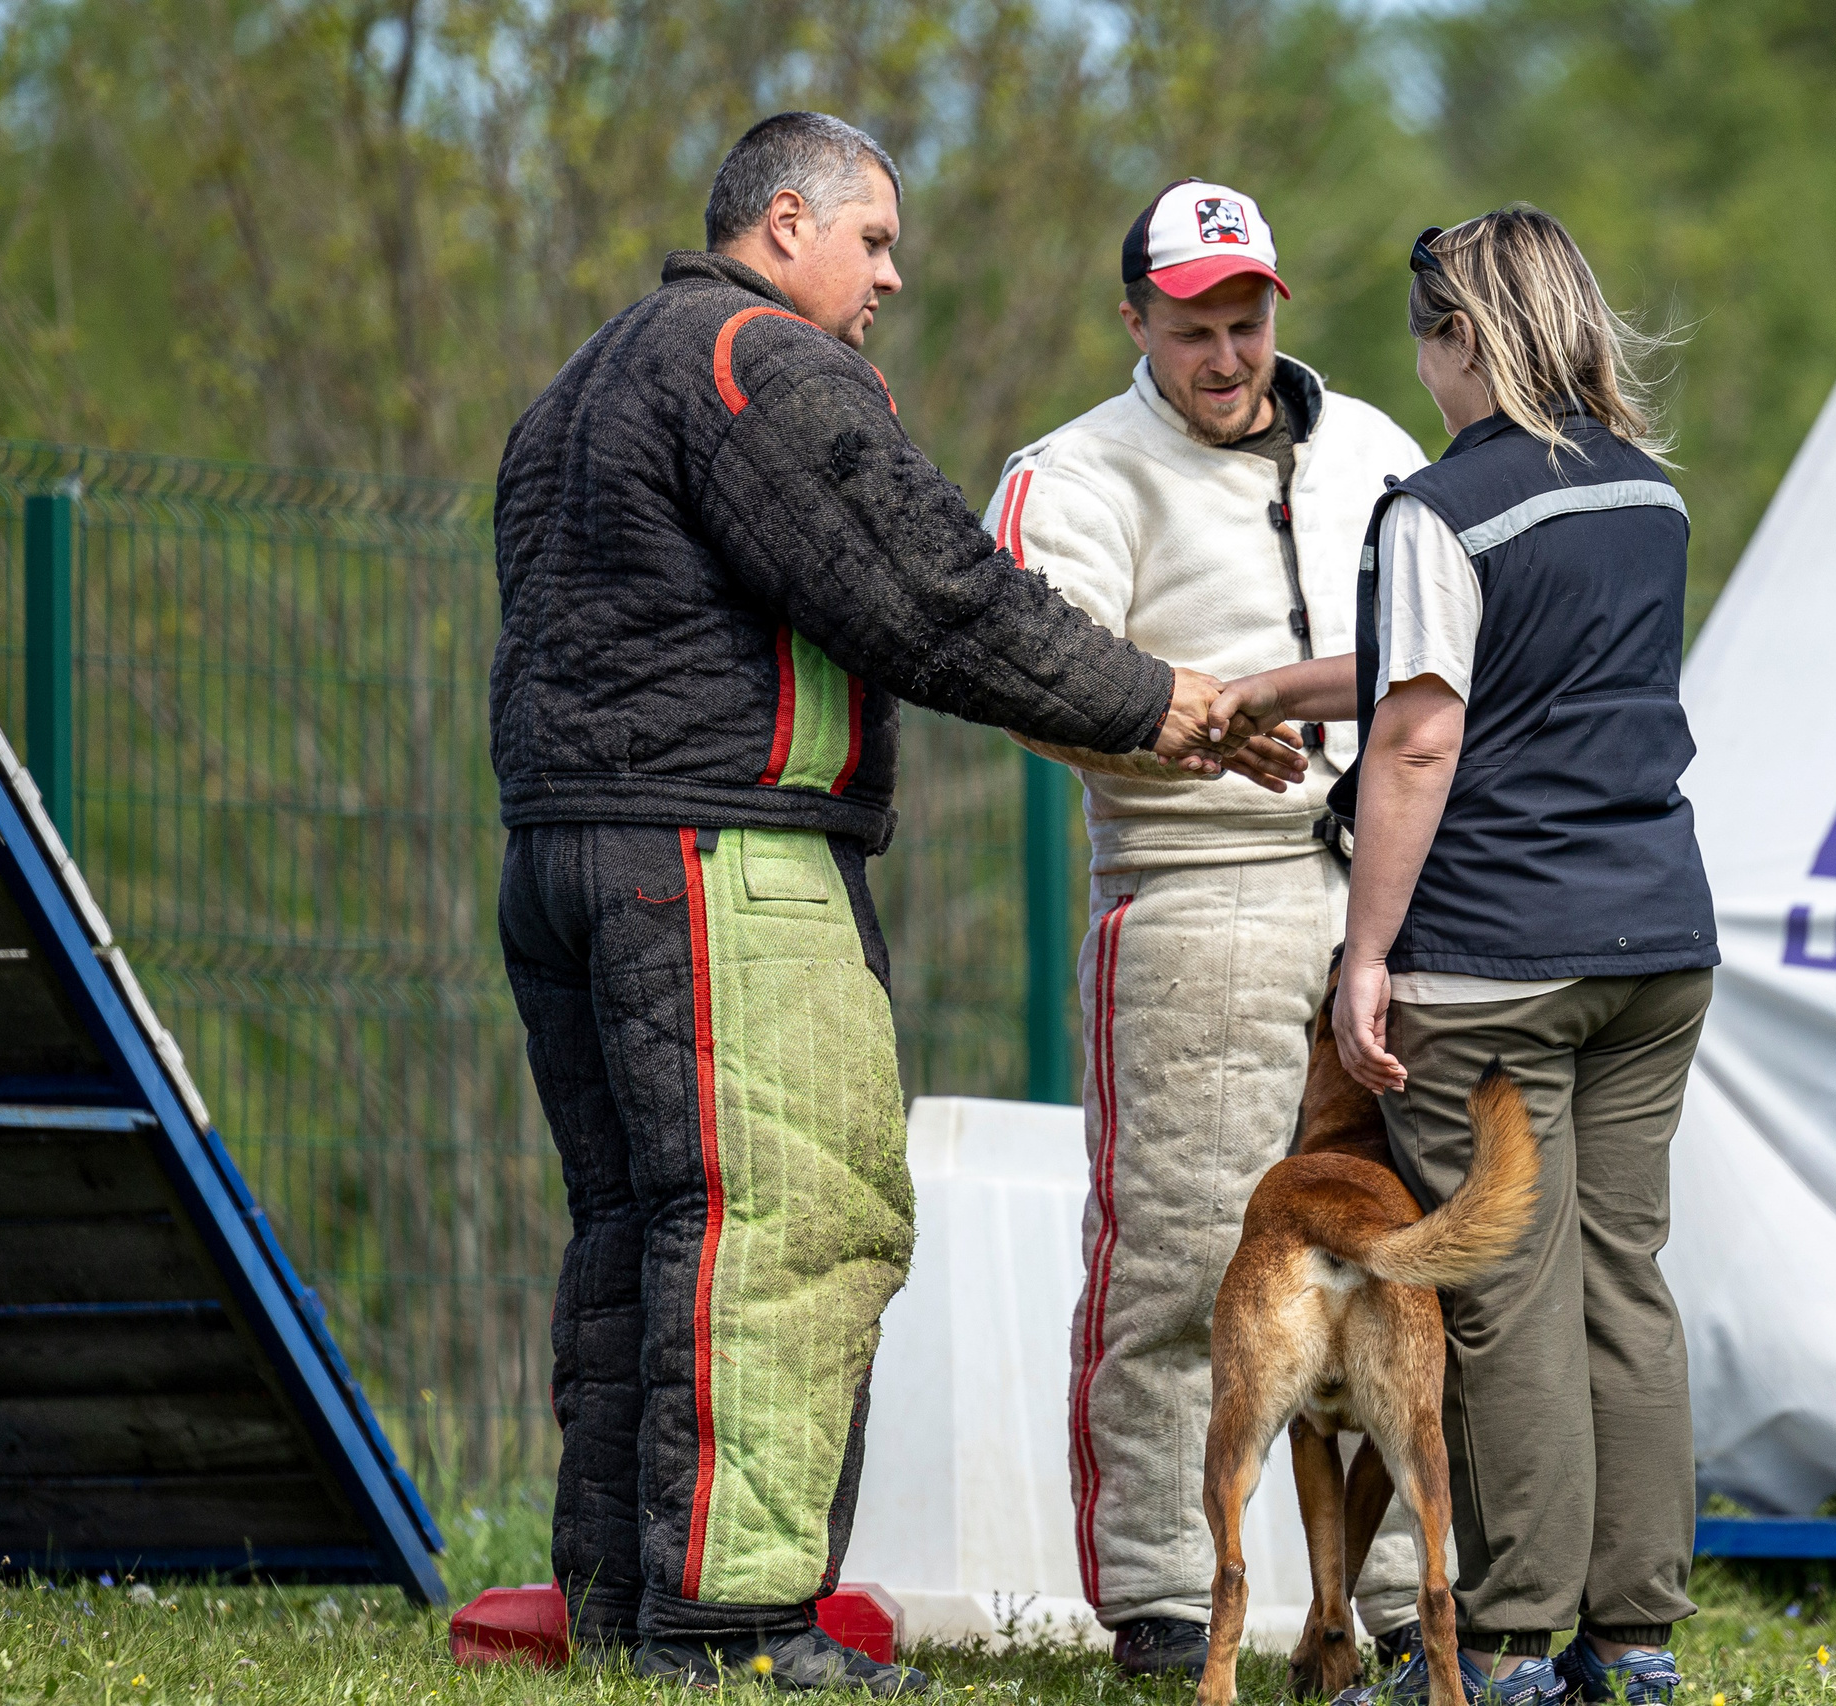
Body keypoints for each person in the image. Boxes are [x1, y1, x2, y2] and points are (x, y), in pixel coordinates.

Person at [490, 112, 1259, 1695]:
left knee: (647, 1226)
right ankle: (740, 1623)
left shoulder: (582, 381)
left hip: (563, 850)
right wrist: (1148, 701)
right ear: (785, 222)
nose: (893, 277)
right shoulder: (758, 364)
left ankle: (627, 1601)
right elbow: (930, 592)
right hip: (722, 859)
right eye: (875, 241)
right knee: (797, 1212)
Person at [1212, 206, 1717, 1706]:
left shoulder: (1439, 508)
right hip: (1658, 943)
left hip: (1498, 958)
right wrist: (1275, 689)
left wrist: (1367, 953)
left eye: (1425, 337)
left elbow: (1422, 732)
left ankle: (1497, 1642)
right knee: (1626, 1280)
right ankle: (1633, 1645)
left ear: (1459, 337)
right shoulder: (1648, 494)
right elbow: (1485, 667)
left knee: (1502, 1295)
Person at [980, 178, 1434, 1680]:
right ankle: (1168, 1593)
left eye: (1246, 321)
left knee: (1398, 1260)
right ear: (1135, 323)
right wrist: (1182, 730)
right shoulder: (1075, 474)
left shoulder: (1372, 445)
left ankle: (1358, 1600)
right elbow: (1038, 671)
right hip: (1198, 893)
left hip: (1386, 883)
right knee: (1182, 1258)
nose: (1228, 355)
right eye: (1194, 330)